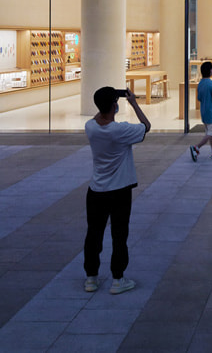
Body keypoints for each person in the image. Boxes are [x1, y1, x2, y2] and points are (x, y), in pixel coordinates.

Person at [83, 85, 150, 295]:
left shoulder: (90, 127)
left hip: (96, 190)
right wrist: (133, 102)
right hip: (119, 190)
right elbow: (146, 126)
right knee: (119, 234)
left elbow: (99, 116)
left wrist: (106, 105)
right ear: (115, 105)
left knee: (94, 234)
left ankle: (91, 278)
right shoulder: (120, 130)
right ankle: (118, 279)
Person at [189, 61, 212, 161]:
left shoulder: (200, 84)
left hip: (204, 112)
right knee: (211, 133)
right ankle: (196, 147)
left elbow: (199, 98)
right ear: (211, 71)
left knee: (210, 132)